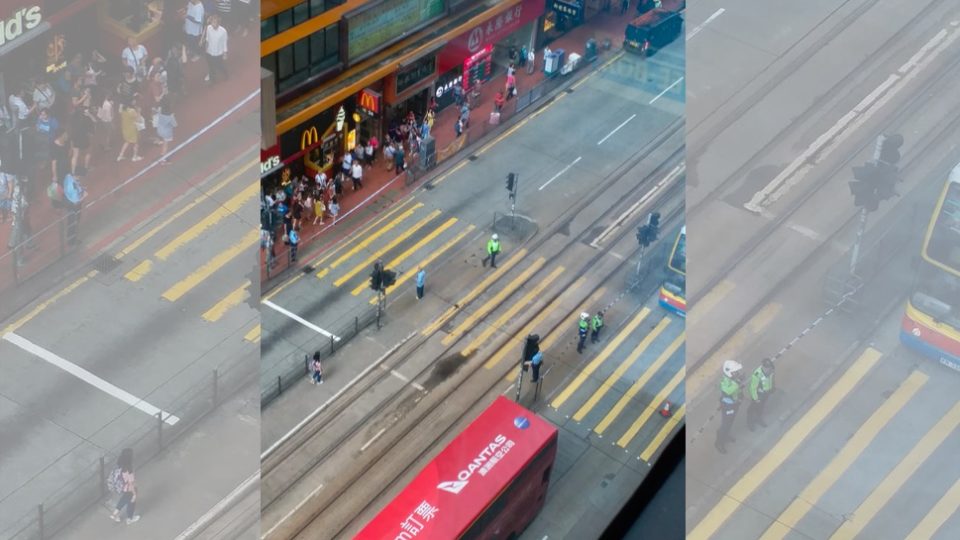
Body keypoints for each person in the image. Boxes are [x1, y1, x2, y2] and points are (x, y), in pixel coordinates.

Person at [716, 360, 744, 454]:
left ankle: (726, 435)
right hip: (728, 406)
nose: (737, 373)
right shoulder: (725, 381)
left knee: (730, 421)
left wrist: (740, 396)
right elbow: (729, 391)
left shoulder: (733, 379)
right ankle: (719, 442)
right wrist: (739, 382)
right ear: (729, 372)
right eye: (735, 372)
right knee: (725, 424)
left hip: (735, 403)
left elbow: (737, 390)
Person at [109, 448, 140, 524]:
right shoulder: (129, 470)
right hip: (128, 488)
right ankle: (129, 518)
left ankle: (115, 513)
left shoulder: (119, 465)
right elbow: (131, 483)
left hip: (121, 487)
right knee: (131, 502)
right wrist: (134, 494)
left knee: (124, 499)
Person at [747, 359, 775, 431]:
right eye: (766, 368)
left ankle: (758, 418)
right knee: (752, 409)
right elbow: (753, 388)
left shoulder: (771, 370)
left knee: (761, 407)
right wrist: (756, 399)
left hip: (766, 393)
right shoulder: (757, 374)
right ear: (763, 366)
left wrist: (772, 387)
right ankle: (750, 423)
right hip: (758, 395)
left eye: (769, 368)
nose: (768, 369)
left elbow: (771, 379)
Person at [202, 15, 229, 83]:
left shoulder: (223, 31)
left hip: (218, 53)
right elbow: (207, 39)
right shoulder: (208, 28)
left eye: (214, 22)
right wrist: (206, 48)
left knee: (219, 66)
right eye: (212, 22)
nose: (213, 24)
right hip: (209, 52)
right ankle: (212, 80)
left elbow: (224, 43)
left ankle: (225, 73)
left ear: (218, 23)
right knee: (211, 67)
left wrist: (225, 53)